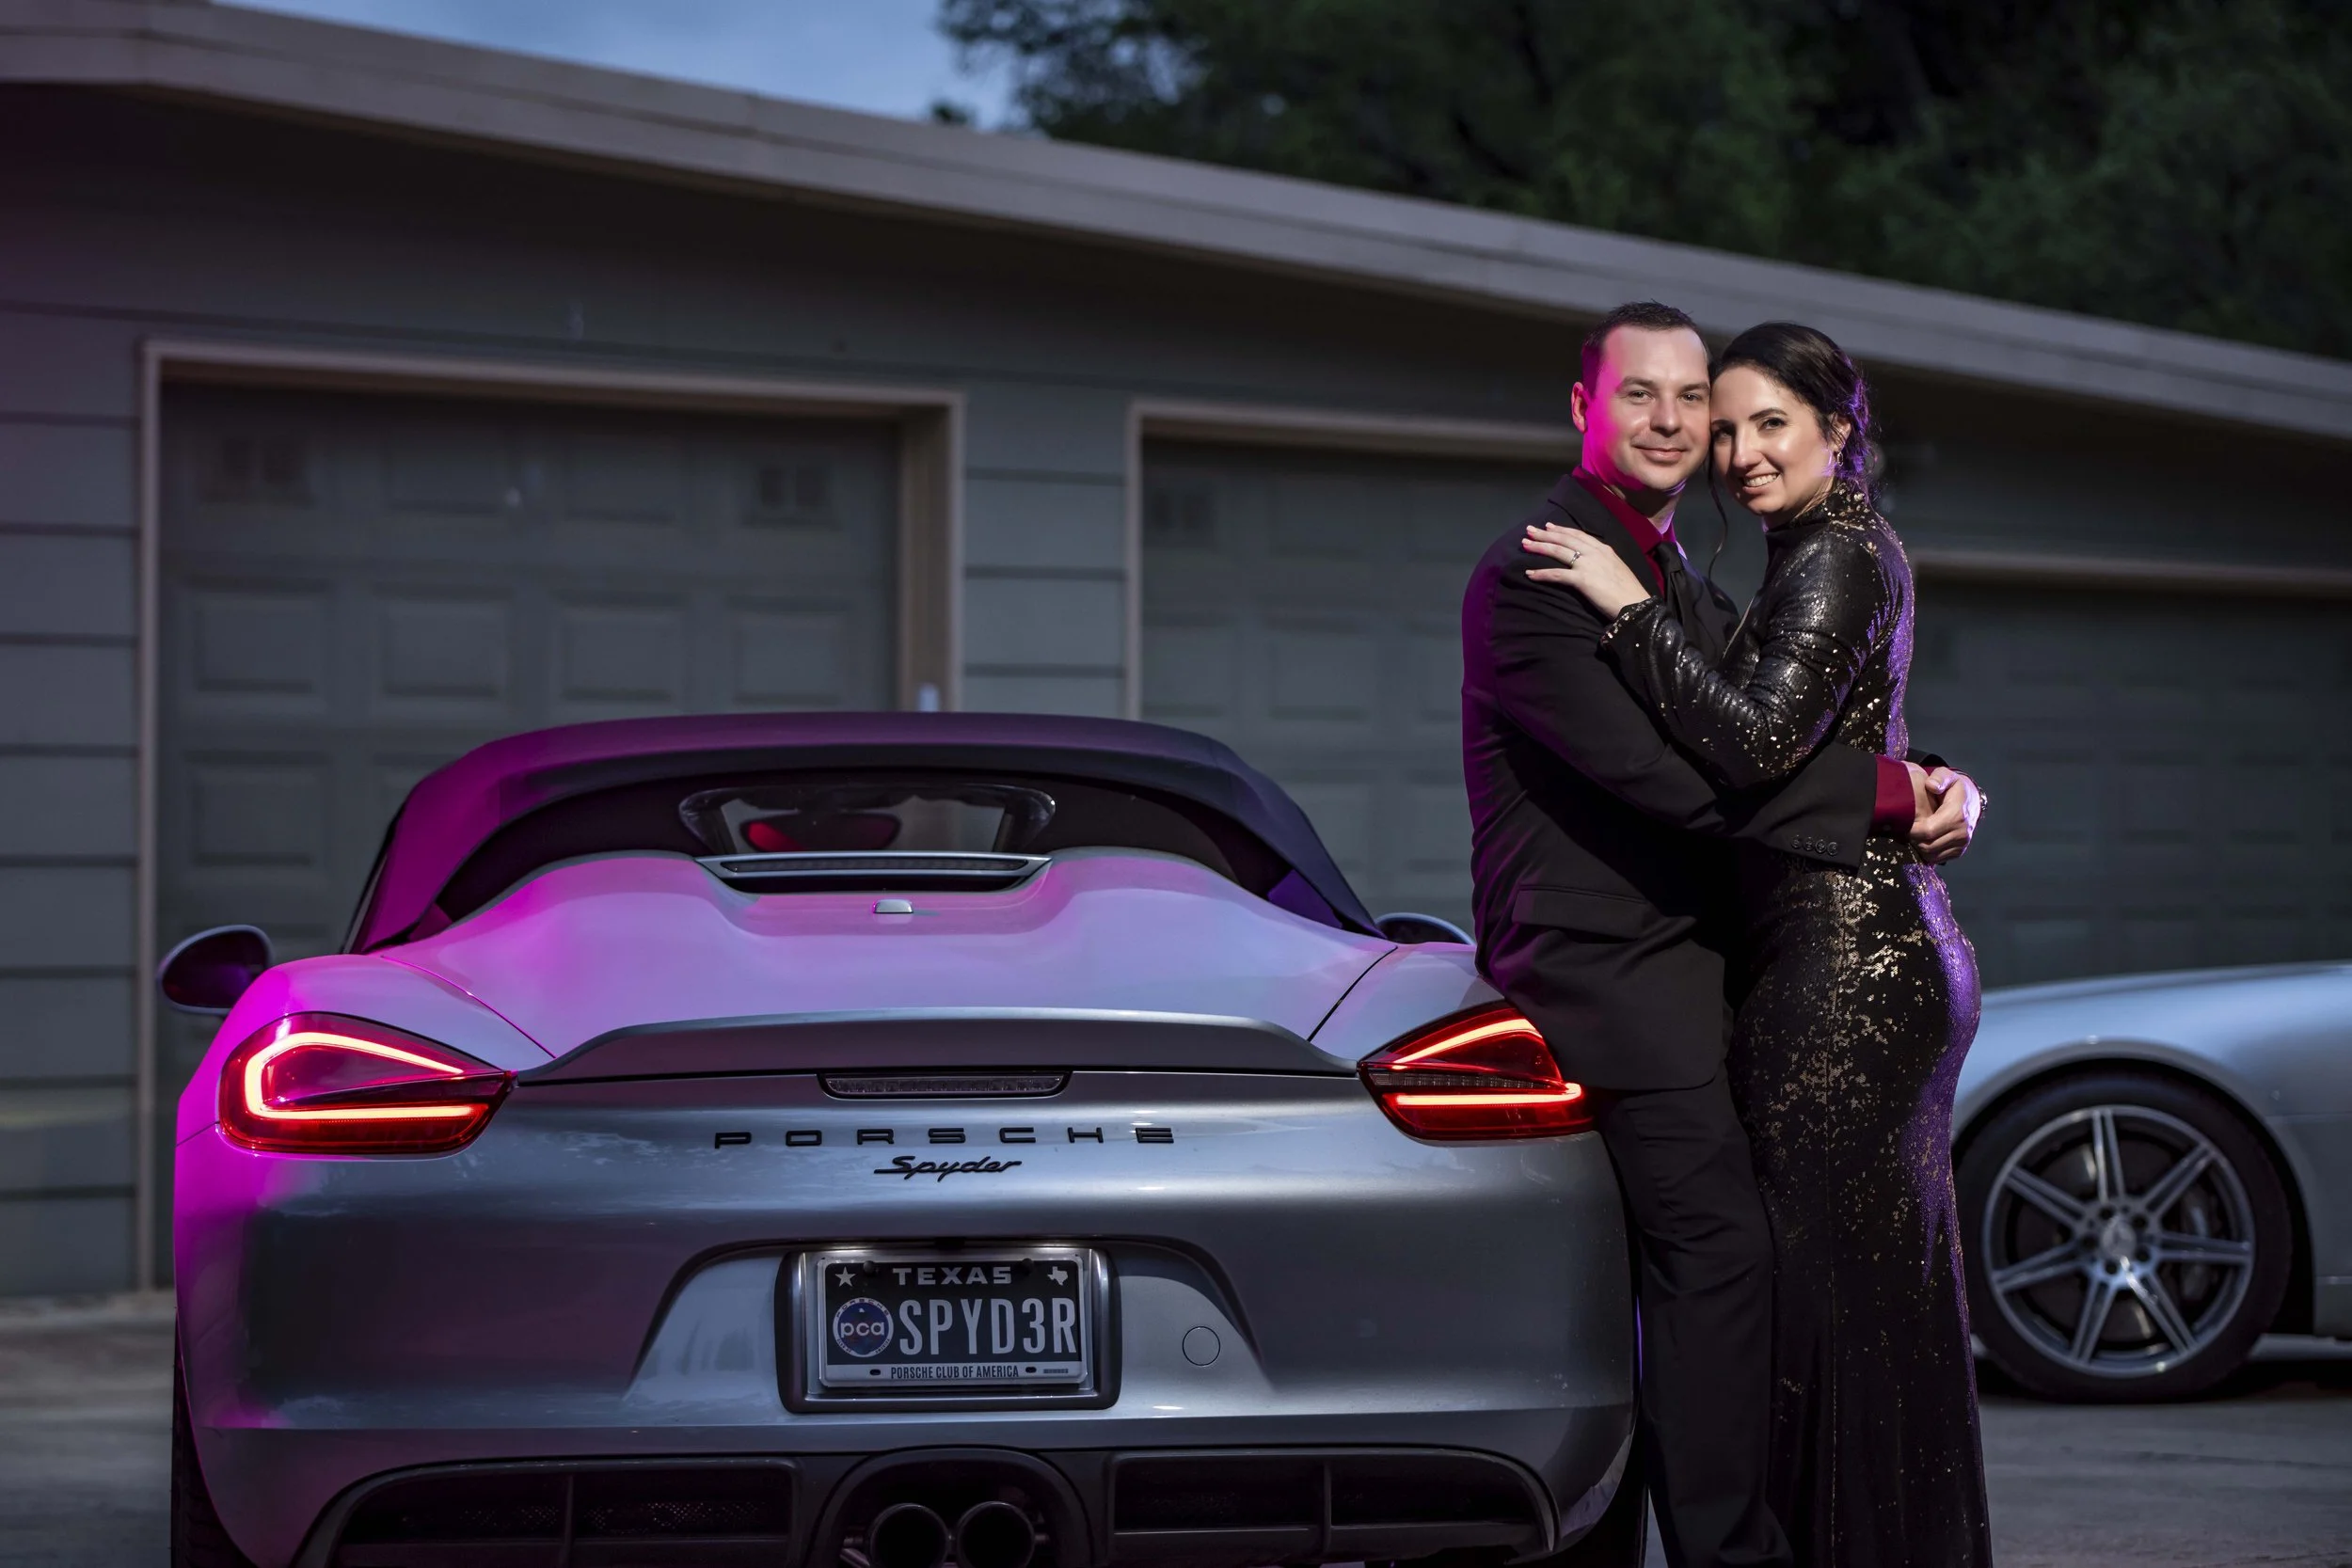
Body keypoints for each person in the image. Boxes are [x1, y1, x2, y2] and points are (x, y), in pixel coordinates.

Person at [1461, 300, 1979, 1568]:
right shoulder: (1541, 567)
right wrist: (1895, 789)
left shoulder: (1678, 566)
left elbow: (1760, 732)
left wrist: (1924, 770)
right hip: (1613, 977)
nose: (1680, 423)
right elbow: (1683, 782)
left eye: (1696, 400)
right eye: (1642, 394)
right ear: (1580, 407)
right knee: (1724, 1260)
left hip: (1719, 970)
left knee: (1759, 1280)